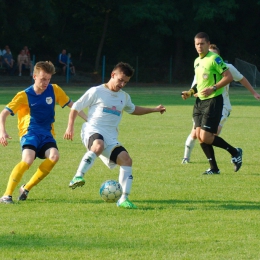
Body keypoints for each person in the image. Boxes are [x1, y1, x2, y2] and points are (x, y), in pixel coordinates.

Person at [63, 62, 166, 209]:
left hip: (110, 137)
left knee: (126, 160)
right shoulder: (96, 91)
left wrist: (154, 109)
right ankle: (78, 175)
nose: (122, 84)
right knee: (98, 145)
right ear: (113, 75)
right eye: (120, 80)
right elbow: (75, 107)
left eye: (125, 82)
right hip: (92, 130)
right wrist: (70, 127)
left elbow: (134, 109)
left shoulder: (124, 96)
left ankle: (123, 199)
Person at [0, 61, 87, 204]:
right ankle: (6, 195)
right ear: (34, 76)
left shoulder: (54, 90)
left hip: (47, 134)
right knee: (28, 160)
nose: (46, 82)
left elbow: (74, 106)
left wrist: (87, 119)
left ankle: (26, 188)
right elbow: (3, 114)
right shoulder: (24, 95)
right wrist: (2, 131)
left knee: (54, 156)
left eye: (48, 79)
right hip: (30, 134)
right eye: (42, 79)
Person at [182, 44, 260, 164]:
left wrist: (254, 93)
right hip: (204, 105)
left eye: (214, 55)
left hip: (222, 106)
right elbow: (195, 85)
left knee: (210, 135)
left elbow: (241, 78)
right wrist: (191, 92)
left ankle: (229, 156)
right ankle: (187, 159)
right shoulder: (202, 65)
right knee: (197, 134)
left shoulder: (227, 67)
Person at [181, 32, 243, 175]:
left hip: (213, 101)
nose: (199, 46)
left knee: (206, 136)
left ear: (208, 44)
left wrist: (214, 88)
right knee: (198, 134)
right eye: (197, 44)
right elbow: (199, 84)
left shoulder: (215, 59)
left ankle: (235, 152)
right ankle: (214, 168)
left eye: (202, 43)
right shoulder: (197, 61)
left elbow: (228, 77)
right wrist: (190, 92)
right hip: (199, 102)